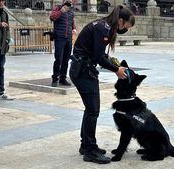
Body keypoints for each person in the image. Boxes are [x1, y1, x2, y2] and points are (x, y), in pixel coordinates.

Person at [70, 5, 135, 164]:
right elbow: (99, 57)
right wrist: (116, 70)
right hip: (83, 71)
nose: (125, 30)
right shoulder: (103, 28)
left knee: (90, 110)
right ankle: (90, 151)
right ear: (120, 21)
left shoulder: (103, 26)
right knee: (93, 111)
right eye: (125, 26)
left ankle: (86, 145)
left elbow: (97, 54)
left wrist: (112, 62)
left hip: (83, 70)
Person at [50, 0, 77, 87]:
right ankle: (55, 78)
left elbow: (71, 22)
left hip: (68, 38)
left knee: (66, 59)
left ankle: (63, 78)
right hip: (59, 37)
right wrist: (61, 11)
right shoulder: (57, 7)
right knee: (58, 59)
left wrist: (74, 28)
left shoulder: (71, 10)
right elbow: (52, 17)